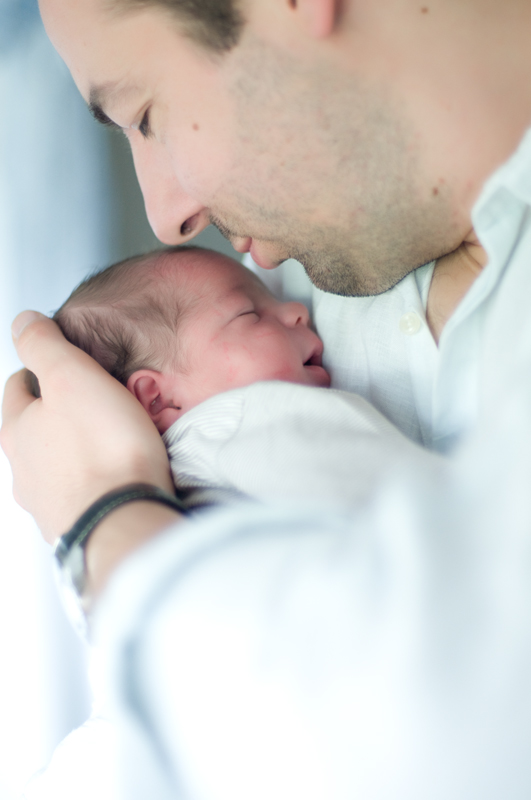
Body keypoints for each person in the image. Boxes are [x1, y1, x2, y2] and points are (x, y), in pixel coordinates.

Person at [4, 0, 531, 797]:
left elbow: (438, 734)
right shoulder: (298, 287)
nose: (167, 217)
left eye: (144, 115)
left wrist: (107, 521)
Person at [54, 245, 438, 509]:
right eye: (250, 314)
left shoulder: (167, 483)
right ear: (157, 398)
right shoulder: (251, 424)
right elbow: (411, 499)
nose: (297, 311)